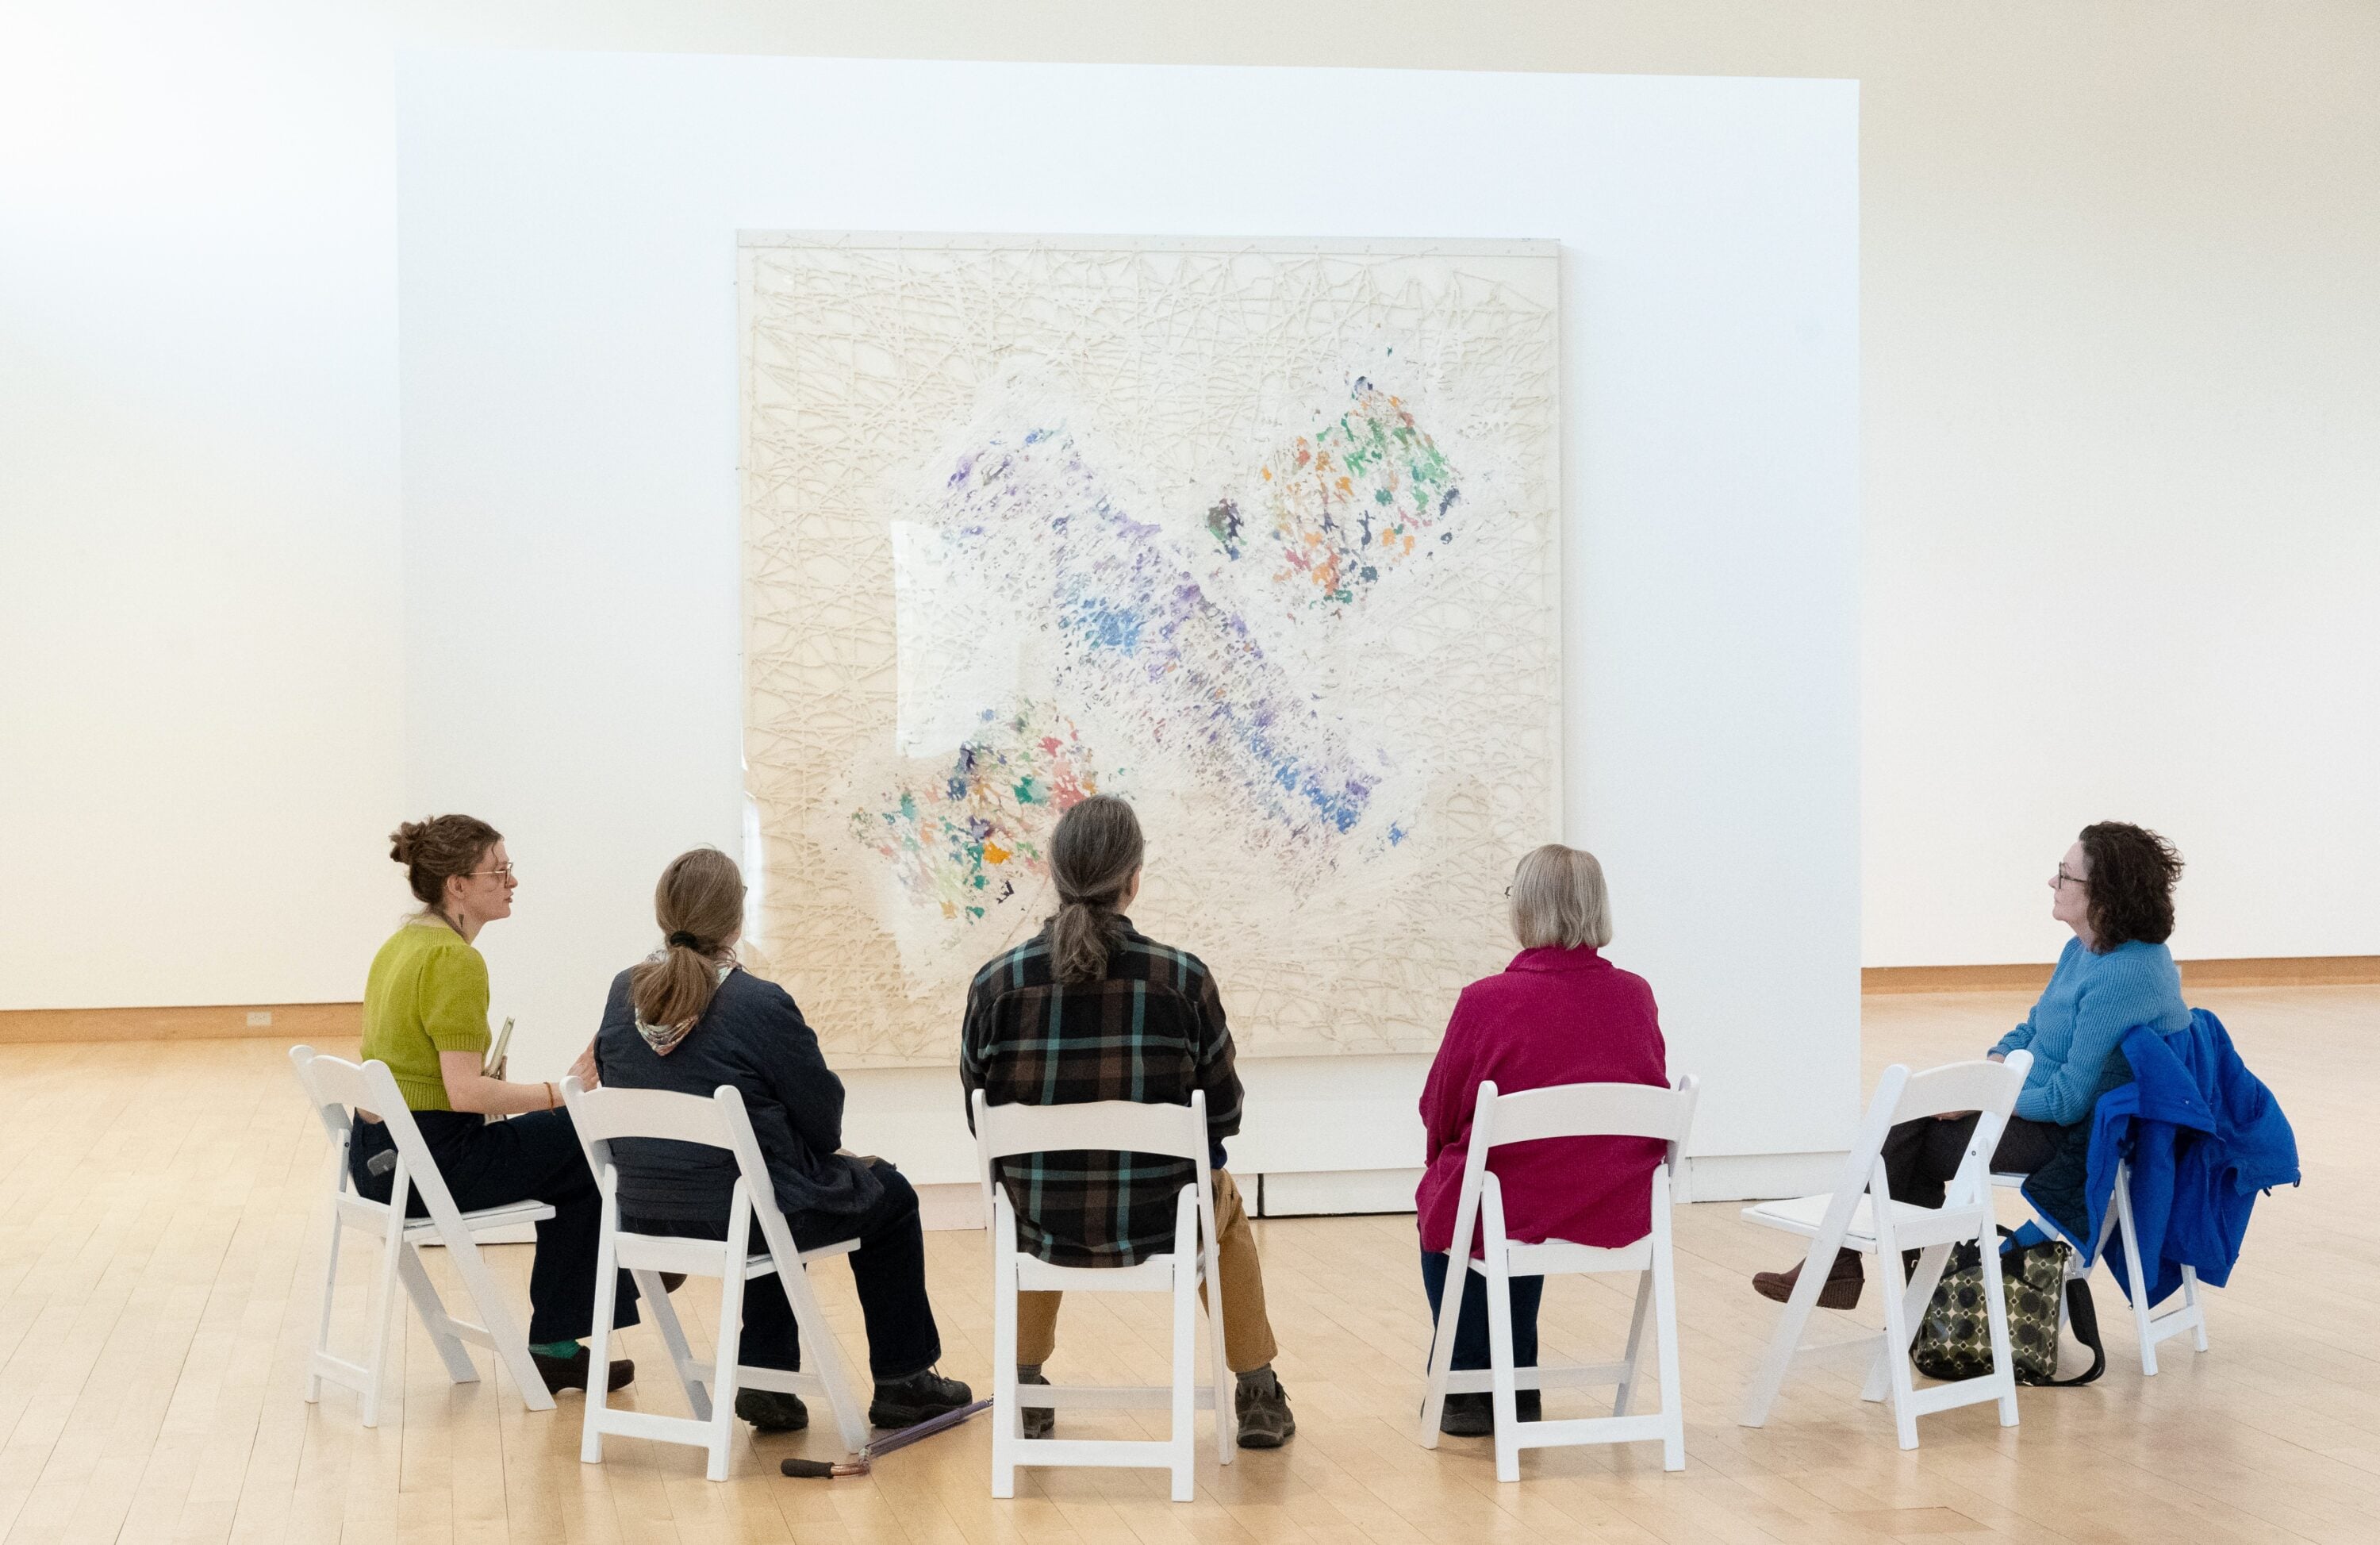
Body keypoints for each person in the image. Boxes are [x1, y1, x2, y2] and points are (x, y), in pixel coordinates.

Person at [593, 848, 971, 1433]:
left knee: (763, 1186)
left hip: (646, 1215)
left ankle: (766, 1377)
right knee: (887, 1194)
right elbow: (824, 1124)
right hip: (741, 1217)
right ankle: (904, 1380)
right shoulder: (757, 1002)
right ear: (736, 917)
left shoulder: (624, 993)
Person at [959, 794, 1296, 1449]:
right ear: (1133, 878)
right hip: (1161, 1218)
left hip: (1040, 1218)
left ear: (1053, 874)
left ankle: (1024, 1385)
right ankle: (1257, 1388)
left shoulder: (996, 985)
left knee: (1022, 1201)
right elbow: (1224, 1110)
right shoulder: (1183, 980)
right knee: (1221, 1204)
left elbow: (981, 1118)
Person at [1754, 820, 2191, 1307]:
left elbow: (2069, 1102)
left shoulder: (2124, 975)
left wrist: (1986, 1098)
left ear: (2104, 896)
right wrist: (1994, 1065)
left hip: (2076, 1135)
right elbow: (2032, 1029)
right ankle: (1905, 1289)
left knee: (1907, 1133)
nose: (2053, 883)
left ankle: (1877, 1278)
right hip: (2034, 1105)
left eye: (2065, 876)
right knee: (1910, 1126)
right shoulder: (2083, 950)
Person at [352, 815, 642, 1393]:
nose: (512, 881)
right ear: (457, 884)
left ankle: (582, 1318)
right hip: (429, 1163)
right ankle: (577, 1321)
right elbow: (465, 1094)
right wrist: (563, 1092)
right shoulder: (455, 959)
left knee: (567, 1140)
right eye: (500, 869)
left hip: (376, 1161)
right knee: (584, 1138)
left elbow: (430, 1077)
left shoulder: (402, 944)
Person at [1415, 844, 1670, 1436]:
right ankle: (1516, 1379)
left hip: (1515, 1203)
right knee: (1505, 1192)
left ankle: (1468, 1383)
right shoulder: (1636, 994)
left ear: (1525, 909)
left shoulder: (1486, 1000)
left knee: (1463, 1195)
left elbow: (1440, 1111)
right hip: (1617, 1202)